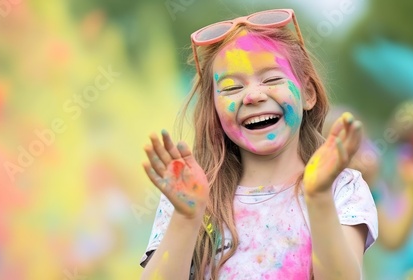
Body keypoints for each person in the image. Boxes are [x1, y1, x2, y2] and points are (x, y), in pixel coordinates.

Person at [139, 9, 378, 279]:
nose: (253, 95)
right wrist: (186, 217)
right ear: (214, 109)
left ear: (308, 93)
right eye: (231, 87)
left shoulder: (342, 188)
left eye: (272, 79)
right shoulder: (190, 195)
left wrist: (318, 196)